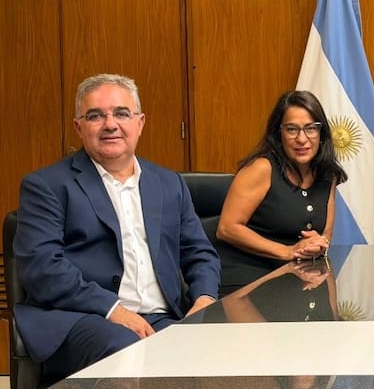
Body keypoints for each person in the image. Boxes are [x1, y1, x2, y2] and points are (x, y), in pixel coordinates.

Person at [13, 73, 221, 384]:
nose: (110, 124)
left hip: (160, 318)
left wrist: (205, 298)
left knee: (213, 352)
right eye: (95, 116)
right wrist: (113, 310)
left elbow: (199, 251)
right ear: (78, 127)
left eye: (122, 113)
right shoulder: (47, 185)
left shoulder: (168, 183)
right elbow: (41, 267)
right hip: (81, 318)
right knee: (128, 350)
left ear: (140, 122)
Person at [216, 91, 347, 294]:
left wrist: (318, 245)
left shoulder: (327, 175)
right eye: (292, 129)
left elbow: (326, 234)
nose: (301, 139)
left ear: (322, 134)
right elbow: (227, 228)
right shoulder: (262, 168)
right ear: (279, 133)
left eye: (310, 129)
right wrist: (288, 251)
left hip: (299, 276)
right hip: (249, 278)